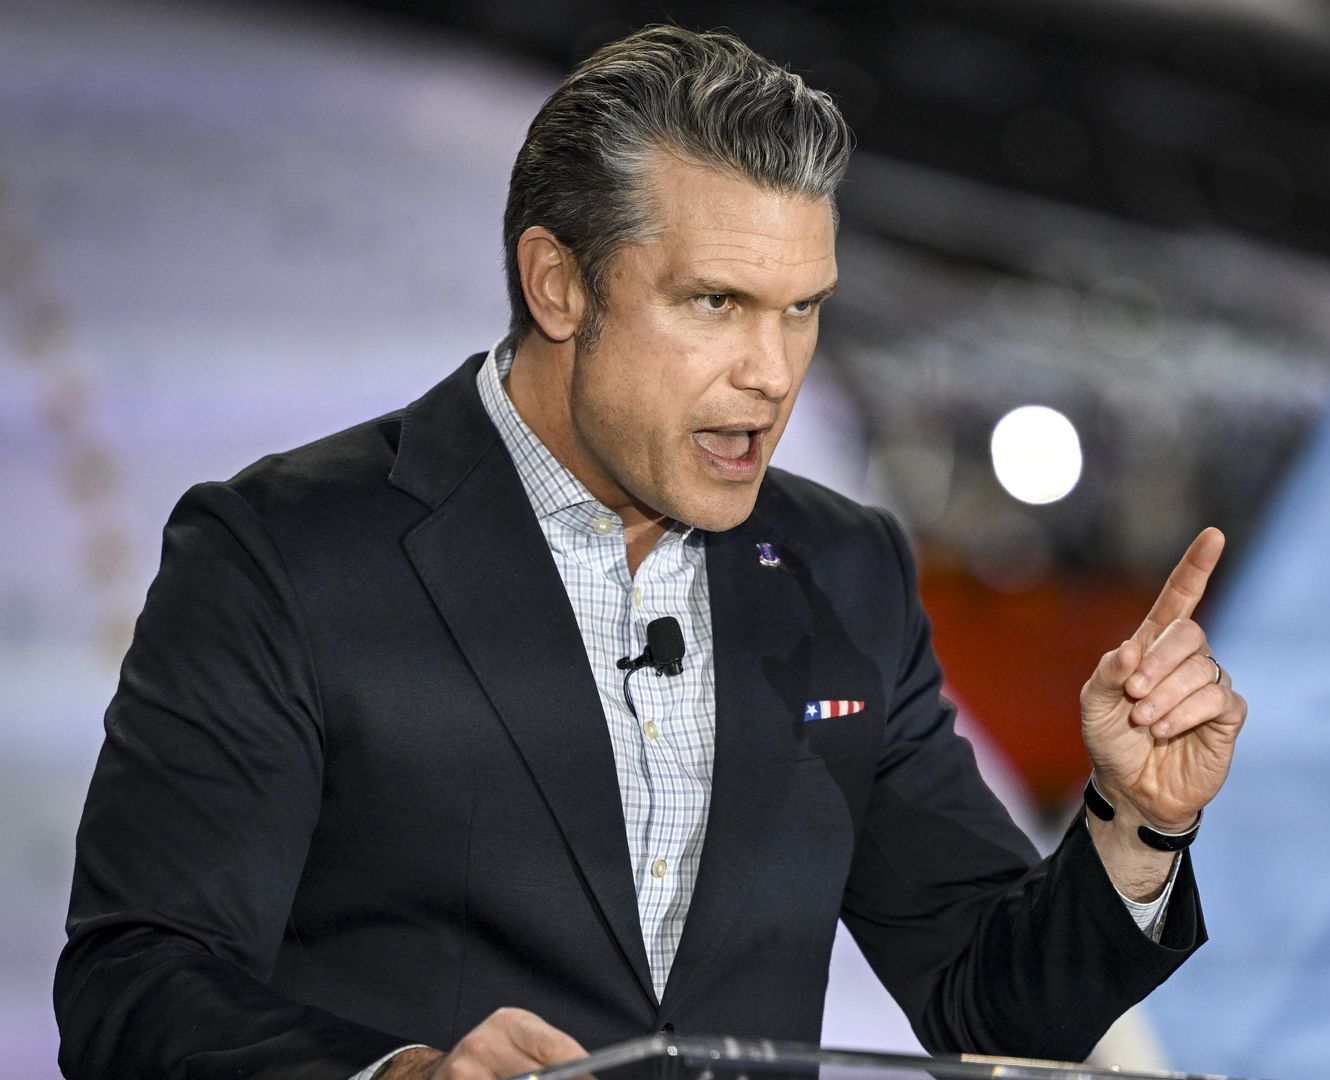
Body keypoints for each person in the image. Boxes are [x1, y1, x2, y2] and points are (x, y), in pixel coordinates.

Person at [54, 26, 1247, 1080]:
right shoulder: (282, 553)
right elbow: (138, 986)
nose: (772, 375)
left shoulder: (843, 570)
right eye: (717, 303)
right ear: (558, 284)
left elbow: (994, 1007)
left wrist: (1133, 823)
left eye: (803, 309)